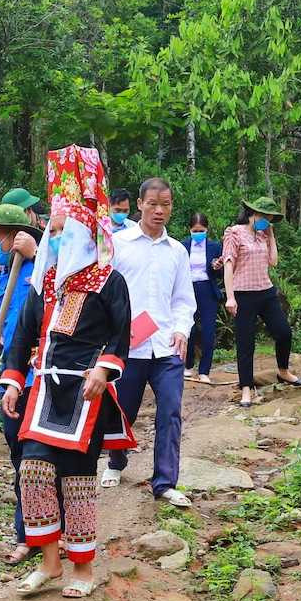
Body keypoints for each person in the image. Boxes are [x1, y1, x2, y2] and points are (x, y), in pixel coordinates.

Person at [0, 145, 134, 599]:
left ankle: (82, 567)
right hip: (44, 389)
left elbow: (122, 335)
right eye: (51, 231)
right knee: (34, 470)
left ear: (81, 232)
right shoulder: (45, 283)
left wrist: (104, 369)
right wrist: (14, 380)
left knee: (76, 478)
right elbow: (21, 337)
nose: (52, 238)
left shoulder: (107, 280)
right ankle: (51, 563)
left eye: (60, 231)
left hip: (86, 393)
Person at [101, 178, 197, 507]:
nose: (159, 210)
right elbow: (103, 294)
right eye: (153, 203)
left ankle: (165, 482)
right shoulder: (118, 244)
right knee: (121, 411)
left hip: (167, 347)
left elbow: (184, 299)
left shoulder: (177, 252)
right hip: (128, 347)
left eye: (166, 204)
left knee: (170, 411)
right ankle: (116, 460)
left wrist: (182, 329)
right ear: (139, 204)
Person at [0, 201, 42, 562]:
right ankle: (26, 534)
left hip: (42, 374)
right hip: (10, 378)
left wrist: (39, 255)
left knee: (42, 457)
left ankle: (51, 532)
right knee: (19, 455)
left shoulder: (46, 268)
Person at [222, 196, 301, 406]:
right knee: (245, 342)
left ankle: (283, 371)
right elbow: (228, 265)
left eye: (270, 218)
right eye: (265, 217)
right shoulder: (234, 233)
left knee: (283, 332)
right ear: (253, 214)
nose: (267, 221)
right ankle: (246, 388)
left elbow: (273, 262)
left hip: (266, 291)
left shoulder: (263, 234)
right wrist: (230, 297)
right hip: (243, 294)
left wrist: (271, 235)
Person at [182, 213, 224, 384]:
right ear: (189, 230)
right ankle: (188, 365)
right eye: (195, 230)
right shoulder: (182, 246)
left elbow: (221, 273)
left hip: (208, 290)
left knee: (208, 331)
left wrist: (216, 266)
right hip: (188, 290)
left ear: (207, 230)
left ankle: (205, 370)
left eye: (202, 230)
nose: (198, 233)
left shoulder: (215, 247)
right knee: (189, 330)